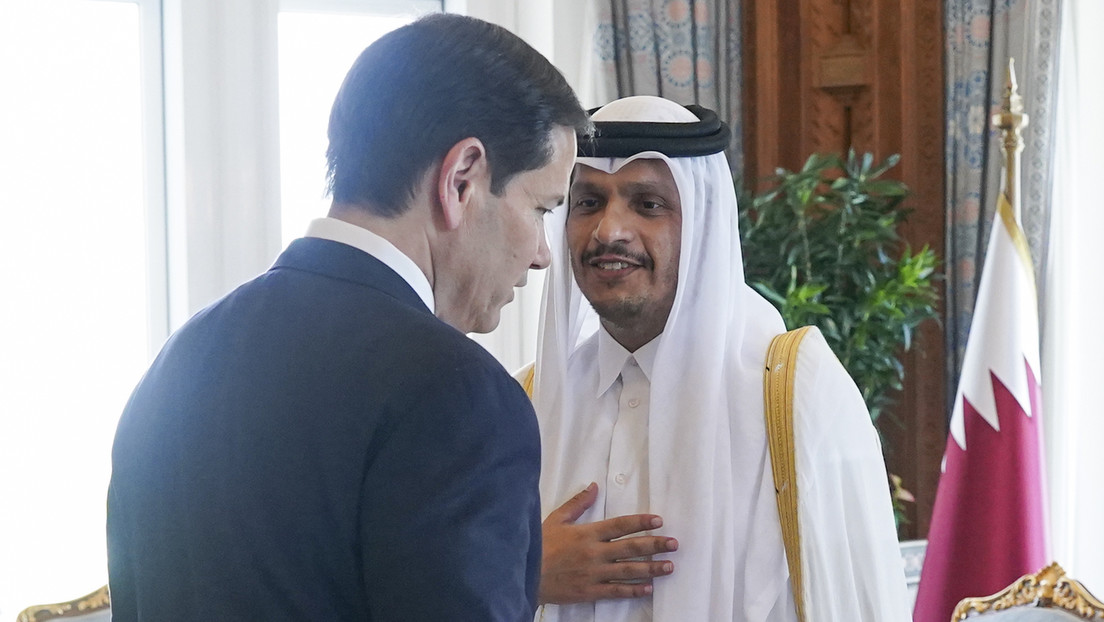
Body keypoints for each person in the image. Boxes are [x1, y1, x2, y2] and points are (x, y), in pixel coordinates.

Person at [106, 13, 588, 621]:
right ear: (462, 179)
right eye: (541, 208)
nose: (543, 253)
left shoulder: (179, 362)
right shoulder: (459, 395)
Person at [520, 95, 911, 621]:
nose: (609, 231)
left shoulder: (792, 391)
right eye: (588, 202)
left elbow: (856, 604)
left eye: (648, 204)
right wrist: (527, 574)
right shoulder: (530, 402)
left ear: (703, 224)